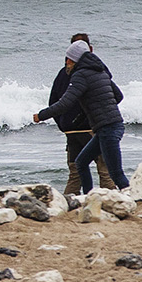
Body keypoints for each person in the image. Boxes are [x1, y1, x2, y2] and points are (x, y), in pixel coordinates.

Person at [33, 39, 129, 192]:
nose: (67, 62)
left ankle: (134, 200)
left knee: (116, 174)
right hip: (110, 126)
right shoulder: (100, 71)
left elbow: (65, 103)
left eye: (69, 58)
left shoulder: (80, 75)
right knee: (81, 162)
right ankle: (89, 196)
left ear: (75, 59)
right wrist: (96, 109)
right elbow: (118, 96)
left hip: (107, 129)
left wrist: (41, 115)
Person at [46, 32, 115, 195]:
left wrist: (64, 124)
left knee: (75, 175)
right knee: (105, 173)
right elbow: (112, 97)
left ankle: (68, 206)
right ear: (90, 49)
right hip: (92, 129)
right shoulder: (97, 71)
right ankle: (114, 202)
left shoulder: (62, 74)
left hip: (71, 131)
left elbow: (53, 101)